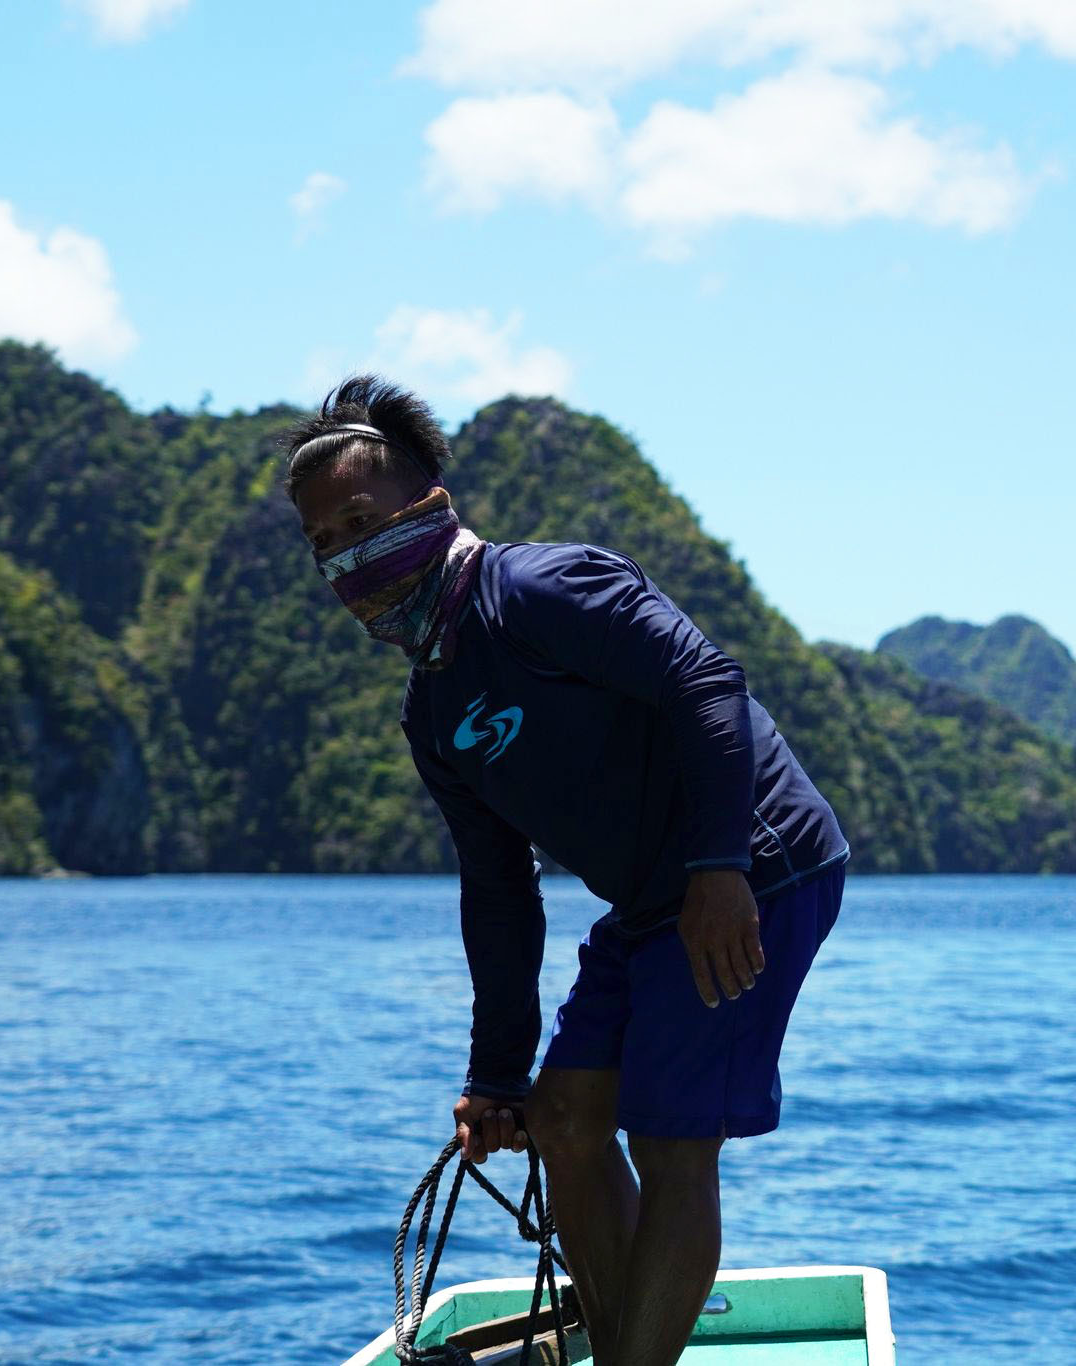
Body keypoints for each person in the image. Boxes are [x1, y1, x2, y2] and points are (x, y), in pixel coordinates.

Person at [282, 376, 849, 1366]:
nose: (342, 552)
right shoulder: (430, 713)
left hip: (757, 864)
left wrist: (720, 866)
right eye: (321, 539)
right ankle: (630, 1347)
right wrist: (494, 1073)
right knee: (563, 1119)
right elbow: (496, 888)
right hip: (646, 900)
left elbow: (705, 683)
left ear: (428, 502)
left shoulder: (540, 589)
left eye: (359, 519)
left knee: (671, 1142)